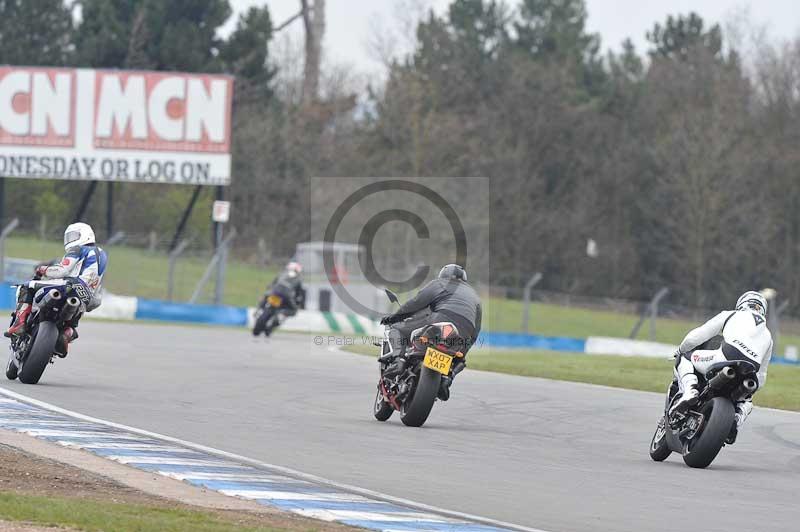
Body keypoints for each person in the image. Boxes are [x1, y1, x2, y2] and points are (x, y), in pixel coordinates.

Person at [668, 291, 773, 440]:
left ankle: (690, 390)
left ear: (741, 303)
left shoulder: (731, 314)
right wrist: (752, 390)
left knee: (685, 358)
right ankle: (737, 418)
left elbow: (695, 337)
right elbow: (761, 378)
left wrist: (679, 349)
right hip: (749, 372)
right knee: (747, 400)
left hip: (723, 358)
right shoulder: (768, 336)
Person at [379, 264, 482, 401]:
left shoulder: (439, 283)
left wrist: (395, 317)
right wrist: (464, 350)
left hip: (441, 318)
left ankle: (399, 361)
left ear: (443, 275)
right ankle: (447, 378)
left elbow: (416, 303)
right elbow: (476, 331)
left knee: (397, 329)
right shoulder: (474, 296)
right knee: (459, 358)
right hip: (465, 331)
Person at [5, 222, 108, 356]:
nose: (71, 240)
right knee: (73, 323)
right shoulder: (103, 256)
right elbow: (97, 296)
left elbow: (61, 270)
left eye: (74, 236)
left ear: (86, 235)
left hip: (69, 285)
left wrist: (43, 269)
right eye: (69, 237)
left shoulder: (78, 249)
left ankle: (19, 324)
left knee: (27, 286)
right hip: (87, 296)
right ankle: (67, 334)